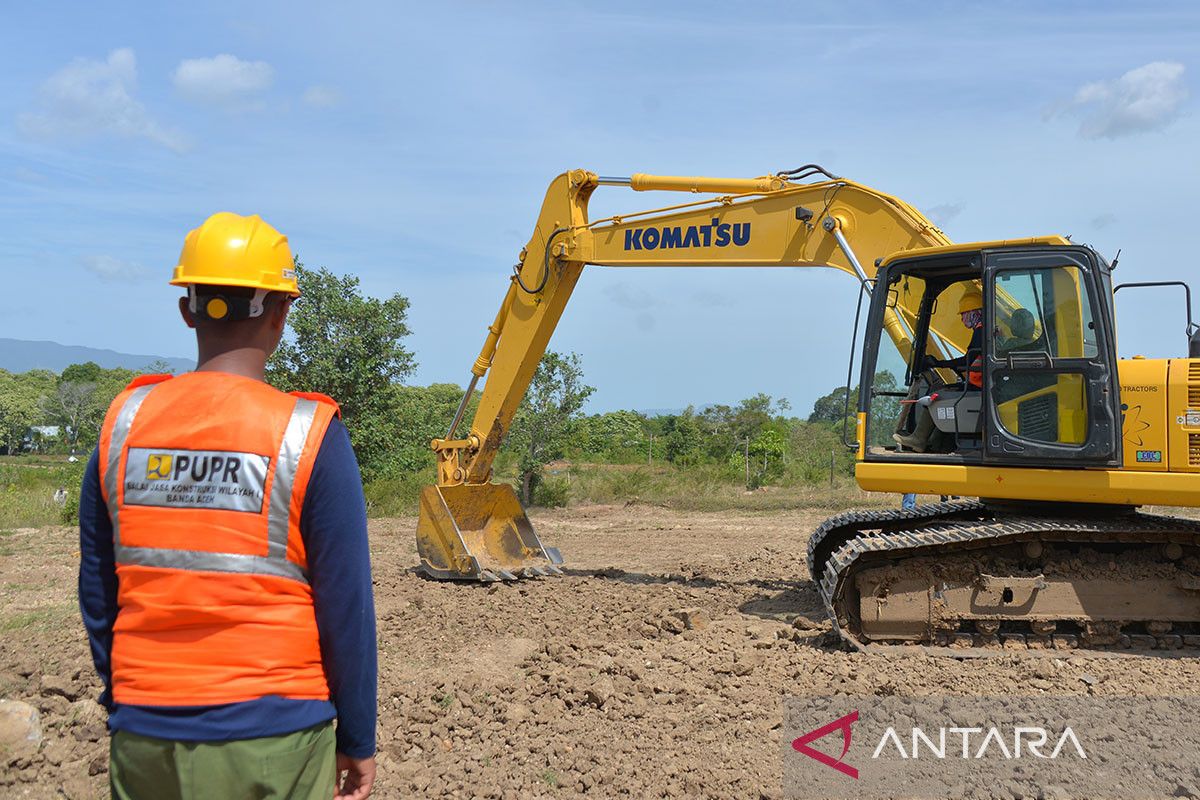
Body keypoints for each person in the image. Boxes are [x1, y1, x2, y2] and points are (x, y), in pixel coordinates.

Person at [78, 212, 377, 800]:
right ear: (280, 314)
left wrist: (129, 694)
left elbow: (98, 592)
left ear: (188, 309)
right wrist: (358, 737)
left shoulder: (124, 425)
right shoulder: (306, 433)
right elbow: (347, 609)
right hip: (275, 738)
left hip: (144, 733)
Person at [893, 286, 984, 452]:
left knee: (937, 396)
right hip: (980, 385)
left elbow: (968, 360)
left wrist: (939, 363)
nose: (963, 319)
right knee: (944, 392)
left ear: (974, 312)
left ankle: (919, 439)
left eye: (964, 314)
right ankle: (935, 443)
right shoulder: (988, 330)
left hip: (978, 387)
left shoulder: (981, 331)